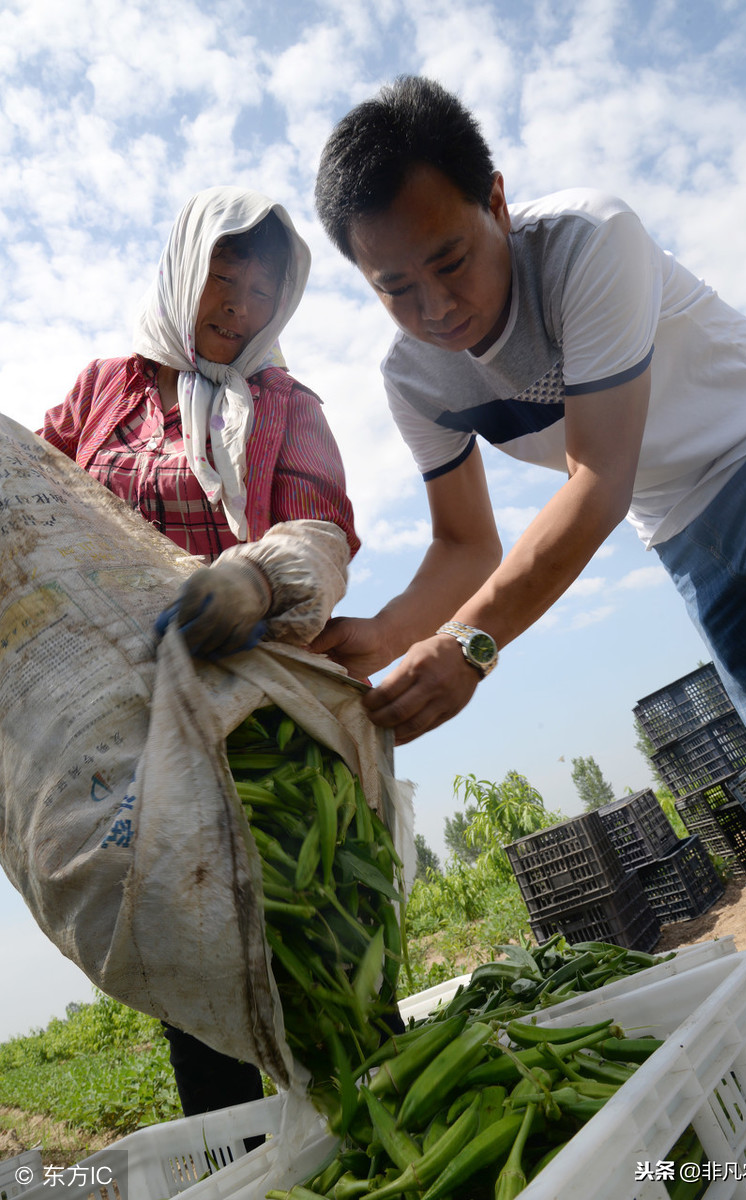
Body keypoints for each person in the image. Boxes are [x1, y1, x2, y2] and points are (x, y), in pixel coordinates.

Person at [311, 75, 746, 815]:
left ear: (497, 203)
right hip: (677, 531)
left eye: (450, 262)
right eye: (397, 287)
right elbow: (464, 545)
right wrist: (384, 634)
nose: (436, 307)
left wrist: (470, 644)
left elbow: (598, 476)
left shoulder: (588, 239)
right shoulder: (414, 379)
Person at [39, 186, 360, 1117]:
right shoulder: (105, 390)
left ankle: (372, 1137)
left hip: (259, 715)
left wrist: (260, 579)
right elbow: (40, 506)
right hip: (138, 729)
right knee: (196, 964)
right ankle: (243, 1159)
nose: (239, 306)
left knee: (316, 947)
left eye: (264, 290)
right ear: (187, 267)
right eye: (225, 273)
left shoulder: (288, 405)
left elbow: (324, 533)